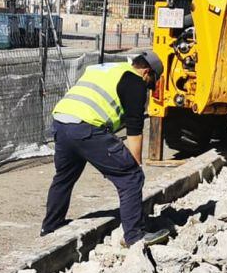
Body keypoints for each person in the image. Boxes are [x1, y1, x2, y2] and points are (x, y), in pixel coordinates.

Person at [41, 52, 170, 248]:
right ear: (146, 72)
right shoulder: (135, 81)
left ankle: (50, 228)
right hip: (86, 128)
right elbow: (135, 129)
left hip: (61, 122)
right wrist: (135, 164)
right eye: (151, 82)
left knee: (64, 176)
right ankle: (134, 237)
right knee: (131, 178)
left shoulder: (107, 68)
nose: (149, 87)